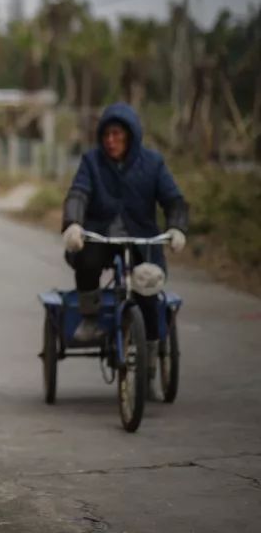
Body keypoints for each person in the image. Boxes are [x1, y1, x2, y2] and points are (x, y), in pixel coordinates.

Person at [61, 102, 188, 378]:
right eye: (106, 135)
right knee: (87, 260)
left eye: (117, 135)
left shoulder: (153, 164)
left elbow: (174, 200)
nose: (111, 141)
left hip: (141, 239)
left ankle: (151, 350)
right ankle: (90, 317)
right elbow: (78, 194)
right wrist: (73, 224)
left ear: (131, 135)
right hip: (101, 236)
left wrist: (177, 227)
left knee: (147, 290)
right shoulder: (91, 162)